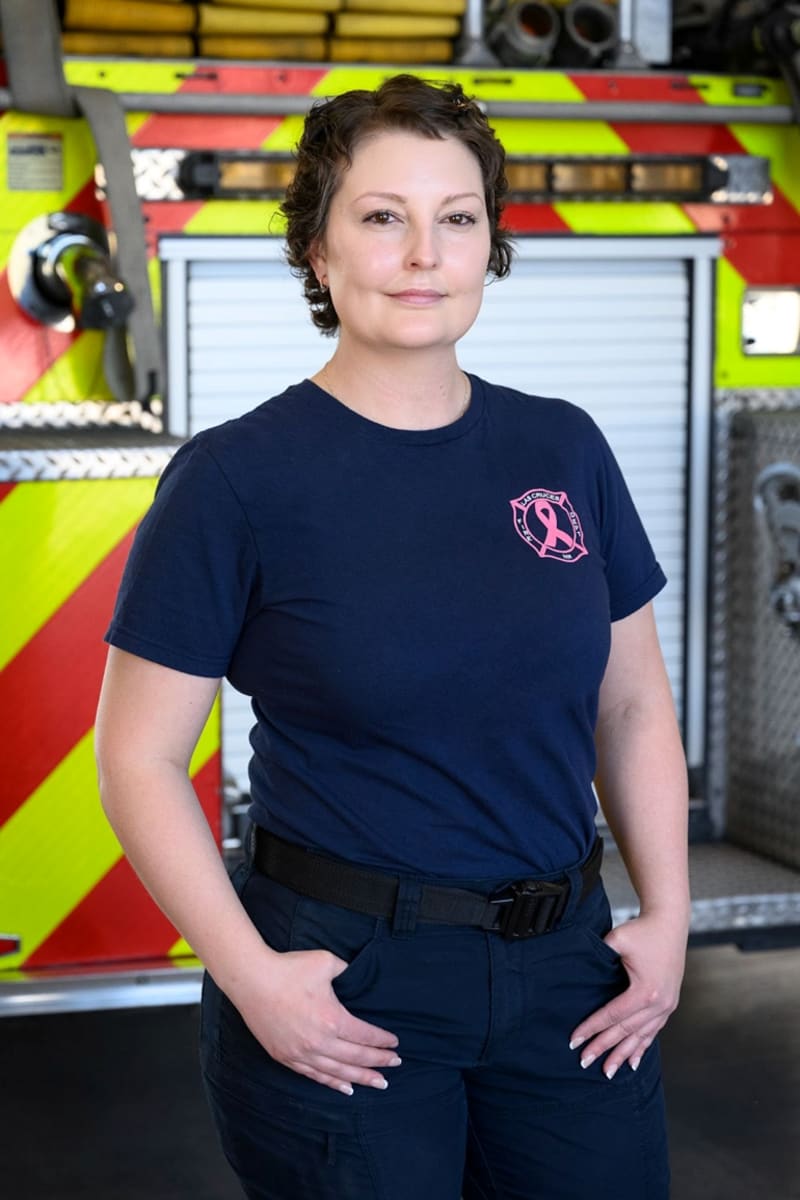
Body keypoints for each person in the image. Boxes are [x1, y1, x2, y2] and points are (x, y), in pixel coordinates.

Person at [95, 74, 690, 1200]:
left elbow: (629, 705)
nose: (423, 253)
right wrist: (255, 979)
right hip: (346, 976)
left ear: (488, 247)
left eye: (456, 219)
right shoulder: (235, 479)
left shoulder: (561, 449)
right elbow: (135, 759)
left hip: (569, 968)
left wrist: (666, 917)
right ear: (316, 251)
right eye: (382, 217)